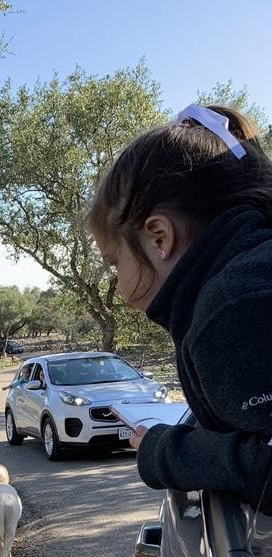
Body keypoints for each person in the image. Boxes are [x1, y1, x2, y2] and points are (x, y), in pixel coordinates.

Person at [88, 103, 272, 508]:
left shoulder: (233, 310)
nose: (118, 286)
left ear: (158, 237)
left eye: (115, 262)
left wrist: (164, 453)